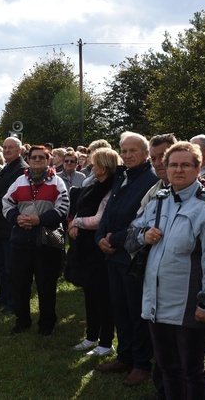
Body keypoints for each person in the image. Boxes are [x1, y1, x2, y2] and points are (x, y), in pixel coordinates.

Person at [126, 141, 205, 399]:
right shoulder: (157, 202)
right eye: (173, 164)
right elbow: (130, 236)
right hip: (155, 302)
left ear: (198, 168)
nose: (178, 170)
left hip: (189, 305)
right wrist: (143, 236)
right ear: (165, 168)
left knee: (191, 369)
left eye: (185, 165)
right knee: (168, 368)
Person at [94, 132, 159, 387]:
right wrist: (99, 237)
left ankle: (141, 363)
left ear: (145, 154)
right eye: (124, 151)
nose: (128, 155)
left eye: (134, 151)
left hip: (133, 255)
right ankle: (125, 356)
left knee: (136, 311)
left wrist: (115, 238)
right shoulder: (121, 175)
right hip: (112, 254)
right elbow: (109, 210)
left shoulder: (152, 179)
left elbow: (143, 219)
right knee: (119, 308)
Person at [3, 145, 69, 337]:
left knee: (46, 283)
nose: (38, 160)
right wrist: (16, 218)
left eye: (42, 157)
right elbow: (6, 202)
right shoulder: (19, 181)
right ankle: (22, 320)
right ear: (29, 160)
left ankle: (47, 322)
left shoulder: (57, 182)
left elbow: (63, 208)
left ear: (48, 160)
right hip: (21, 239)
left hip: (48, 239)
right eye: (34, 157)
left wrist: (40, 220)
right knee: (20, 283)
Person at [67, 148, 120, 357]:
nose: (91, 166)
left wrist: (77, 222)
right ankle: (91, 337)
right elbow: (80, 207)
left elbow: (99, 218)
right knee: (90, 294)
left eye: (95, 163)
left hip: (98, 251)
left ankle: (106, 342)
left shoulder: (111, 188)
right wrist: (73, 223)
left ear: (104, 167)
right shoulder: (95, 184)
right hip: (86, 250)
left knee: (103, 297)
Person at [0, 137, 28, 314]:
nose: (7, 150)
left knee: (11, 267)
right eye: (5, 147)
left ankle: (12, 302)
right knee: (2, 264)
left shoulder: (21, 169)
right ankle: (3, 297)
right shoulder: (7, 166)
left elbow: (8, 193)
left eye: (11, 147)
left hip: (8, 223)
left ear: (20, 150)